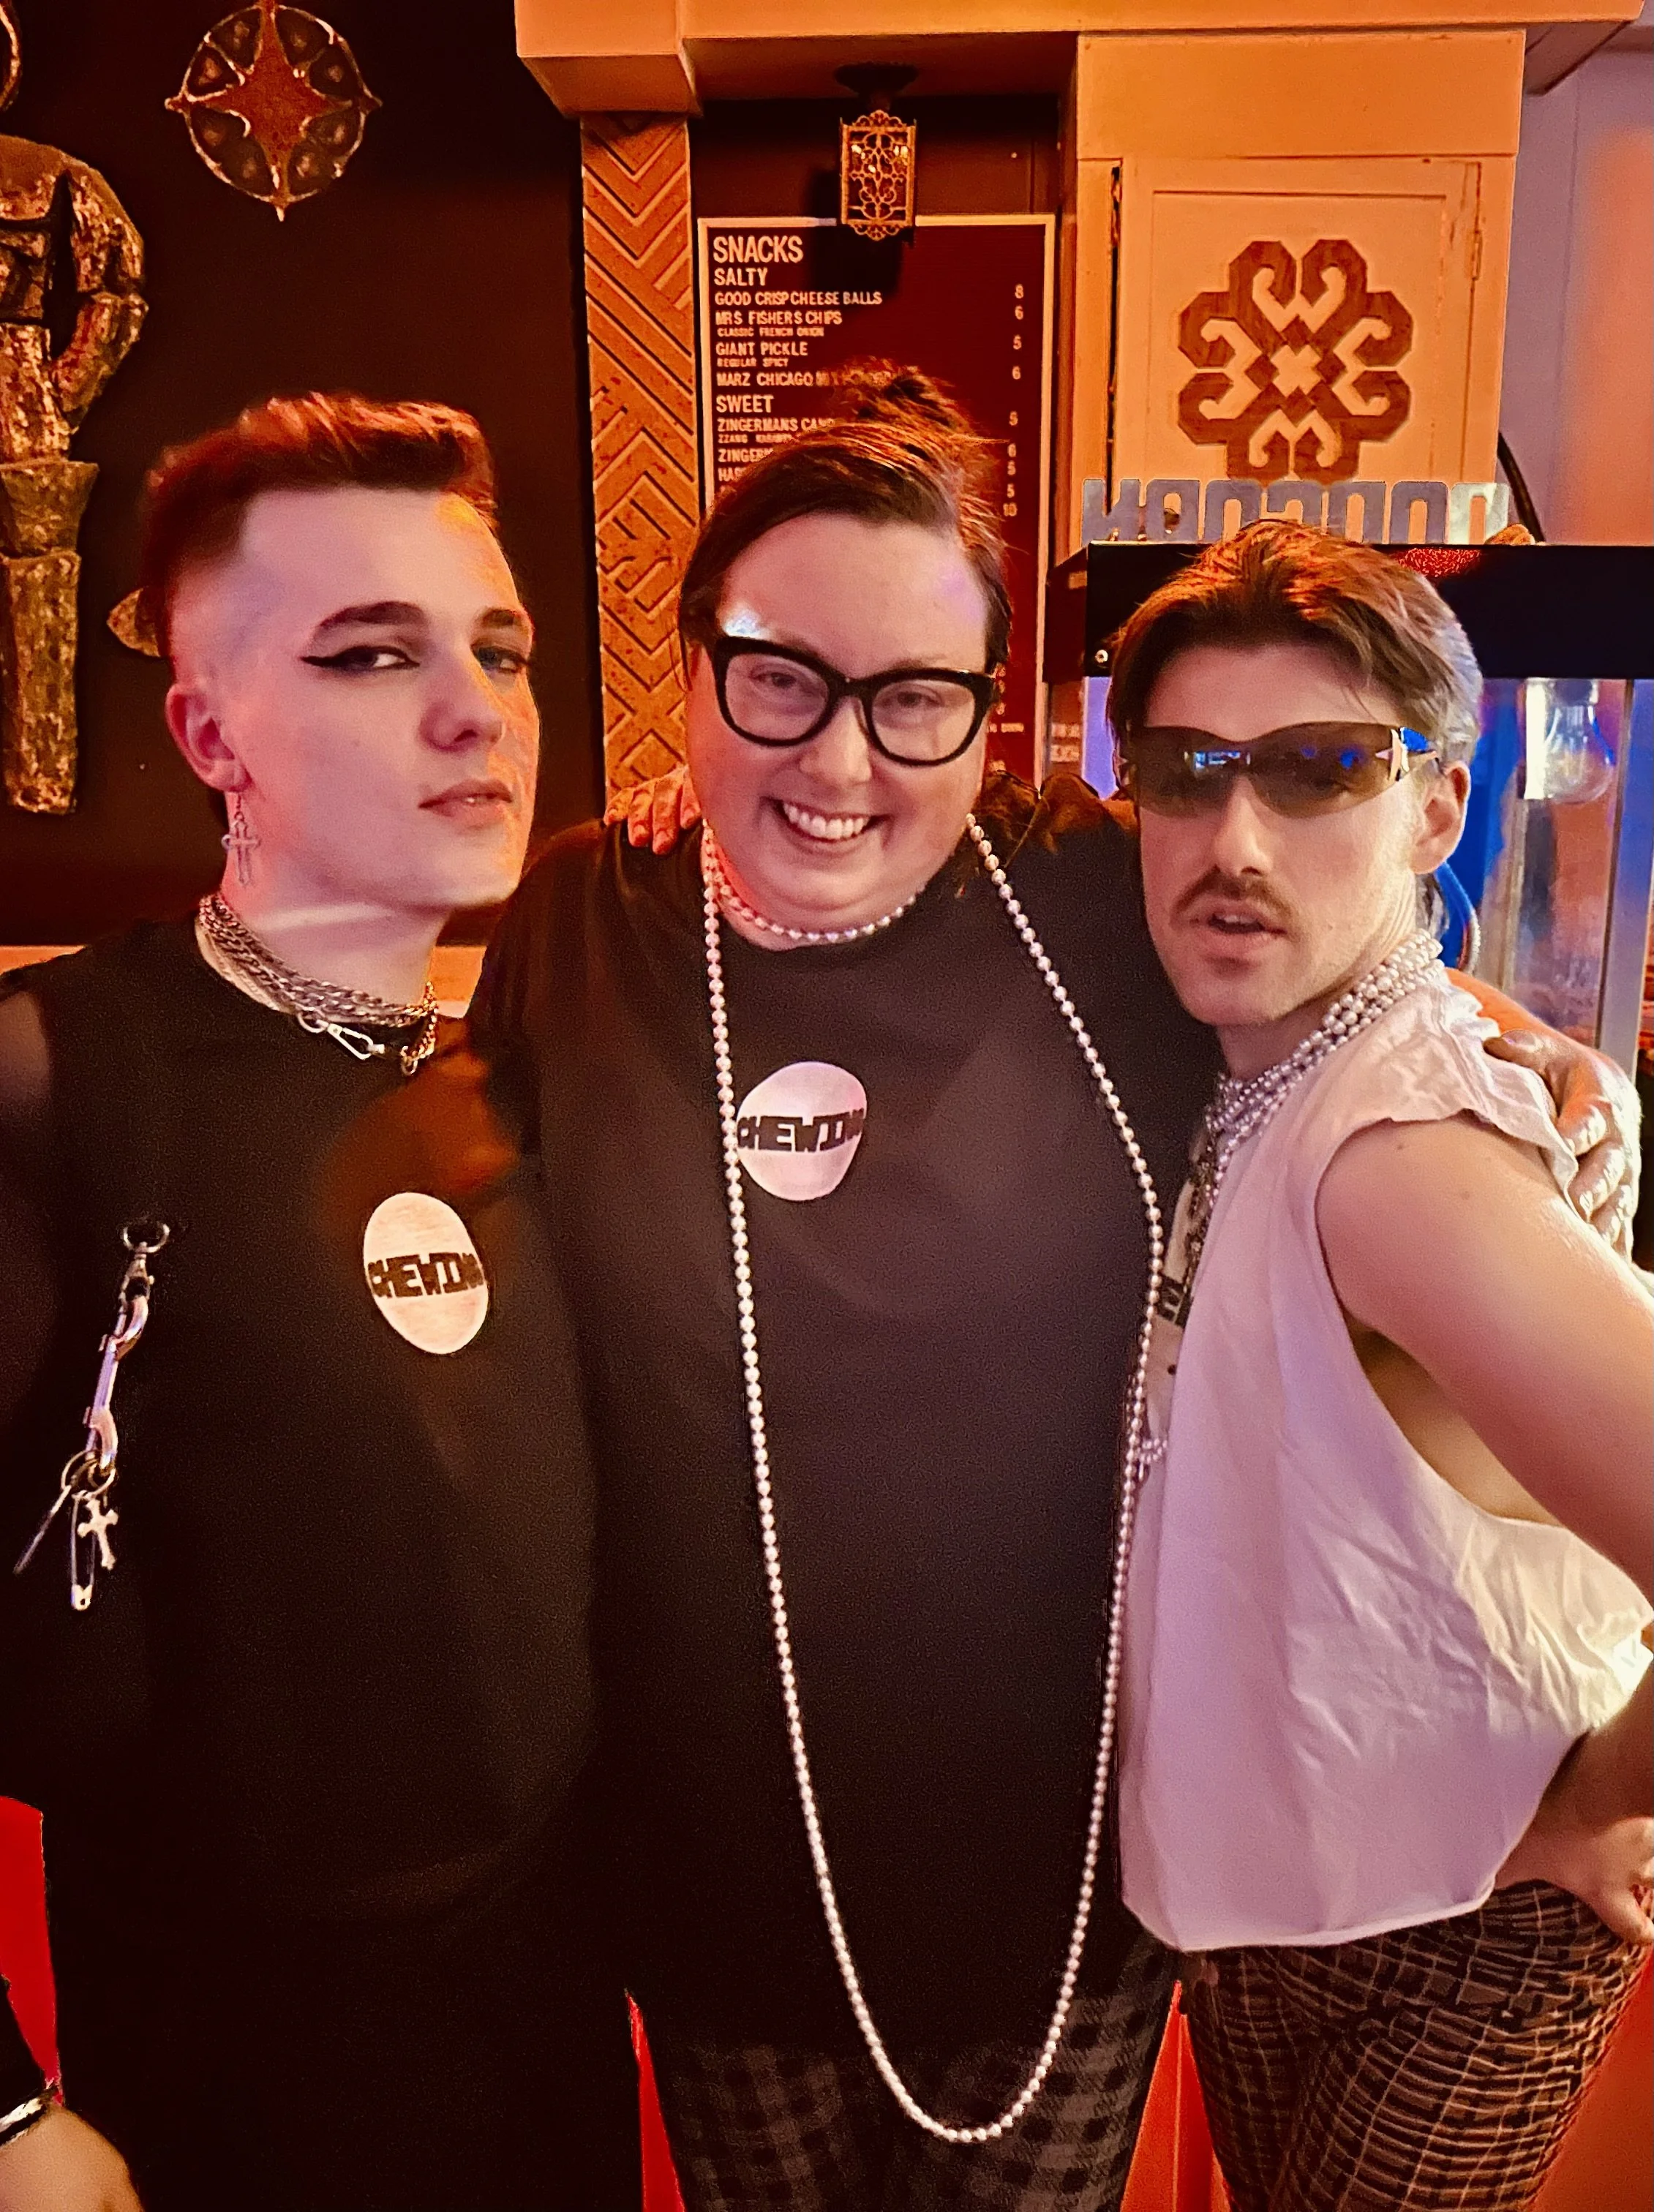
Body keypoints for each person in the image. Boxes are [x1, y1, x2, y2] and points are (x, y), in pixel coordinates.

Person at [473, 367, 1632, 2212]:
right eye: (777, 678)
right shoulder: (581, 921)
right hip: (705, 1849)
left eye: (914, 699)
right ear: (687, 667)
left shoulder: (1086, 896)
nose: (840, 762)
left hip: (1065, 1866)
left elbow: (1317, 954)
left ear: (987, 713)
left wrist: (1529, 1045)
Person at [0, 394, 637, 2211]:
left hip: (545, 2021)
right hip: (229, 2060)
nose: (476, 712)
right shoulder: (63, 1080)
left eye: (498, 650)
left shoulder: (513, 1074)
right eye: (371, 657)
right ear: (213, 734)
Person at [1112, 522, 1651, 2211]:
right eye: (1187, 772)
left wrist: (1590, 1806)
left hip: (1461, 1918)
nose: (1233, 839)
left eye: (1319, 768)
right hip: (1301, 1875)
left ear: (1433, 807)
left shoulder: (1402, 1164)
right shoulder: (1266, 1063)